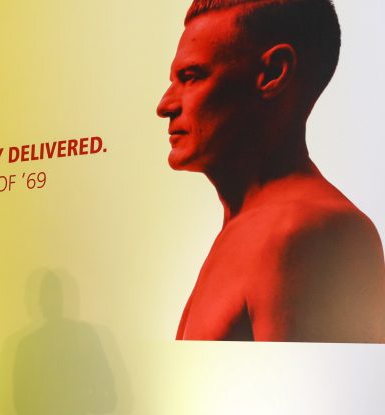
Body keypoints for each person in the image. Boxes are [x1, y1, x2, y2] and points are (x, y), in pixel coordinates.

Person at [157, 0, 385, 342]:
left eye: (191, 77)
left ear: (274, 72)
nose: (165, 105)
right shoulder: (255, 226)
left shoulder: (305, 231)